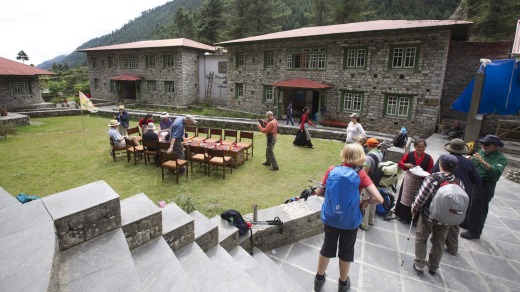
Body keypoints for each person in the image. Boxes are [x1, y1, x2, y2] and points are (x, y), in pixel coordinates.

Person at [313, 143, 383, 292]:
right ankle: (343, 284)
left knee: (327, 247)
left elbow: (319, 192)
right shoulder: (360, 174)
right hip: (350, 221)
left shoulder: (332, 170)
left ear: (344, 154)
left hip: (331, 218)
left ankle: (319, 280)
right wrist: (365, 202)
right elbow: (379, 198)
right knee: (346, 251)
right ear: (360, 157)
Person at [412, 154, 464, 275]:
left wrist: (414, 208)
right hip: (446, 218)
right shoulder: (459, 182)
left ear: (441, 164)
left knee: (421, 238)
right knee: (439, 242)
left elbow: (421, 197)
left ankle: (419, 263)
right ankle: (433, 266)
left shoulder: (433, 179)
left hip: (429, 215)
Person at [431, 138, 480, 255]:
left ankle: (438, 245)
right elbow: (477, 180)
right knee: (454, 223)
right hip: (462, 197)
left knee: (441, 222)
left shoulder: (443, 160)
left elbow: (433, 174)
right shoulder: (469, 163)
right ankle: (453, 247)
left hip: (445, 196)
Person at [460, 135, 507, 240]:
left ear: (495, 146)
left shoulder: (501, 158)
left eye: (487, 144)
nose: (484, 146)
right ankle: (467, 222)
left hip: (486, 184)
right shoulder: (481, 152)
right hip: (475, 181)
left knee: (479, 208)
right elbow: (474, 164)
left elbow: (495, 171)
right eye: (482, 144)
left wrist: (482, 161)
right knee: (470, 203)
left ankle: (474, 231)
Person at [394, 139, 434, 224]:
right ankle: (401, 215)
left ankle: (414, 218)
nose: (420, 149)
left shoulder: (428, 158)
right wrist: (405, 165)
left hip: (421, 182)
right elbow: (400, 163)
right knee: (405, 197)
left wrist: (425, 174)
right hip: (409, 180)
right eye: (418, 147)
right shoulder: (409, 155)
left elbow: (431, 170)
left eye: (422, 147)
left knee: (417, 199)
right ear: (415, 146)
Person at [360, 138, 384, 231]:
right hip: (377, 182)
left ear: (369, 146)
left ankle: (364, 223)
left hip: (368, 183)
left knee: (365, 201)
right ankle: (371, 219)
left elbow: (364, 172)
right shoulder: (381, 153)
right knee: (373, 200)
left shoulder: (368, 157)